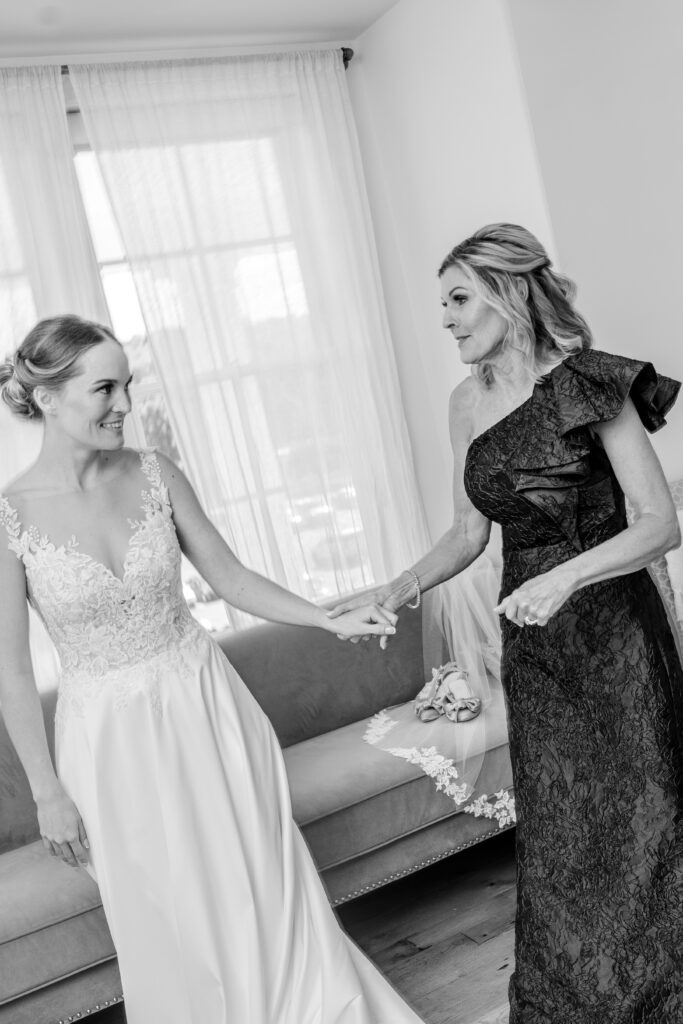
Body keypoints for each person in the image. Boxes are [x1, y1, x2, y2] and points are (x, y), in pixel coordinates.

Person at [0, 315, 426, 1024]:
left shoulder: (154, 473)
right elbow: (10, 671)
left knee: (258, 881)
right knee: (165, 918)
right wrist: (47, 792)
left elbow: (229, 578)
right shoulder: (8, 518)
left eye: (129, 385)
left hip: (204, 703)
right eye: (105, 388)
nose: (127, 406)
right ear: (47, 398)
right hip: (107, 745)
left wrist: (325, 616)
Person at [331, 223, 683, 1021]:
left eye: (458, 298)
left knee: (646, 813)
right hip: (536, 645)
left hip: (615, 631)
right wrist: (397, 587)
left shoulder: (592, 383)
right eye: (443, 304)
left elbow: (660, 523)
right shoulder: (464, 404)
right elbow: (465, 533)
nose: (447, 319)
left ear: (509, 291)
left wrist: (566, 574)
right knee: (562, 831)